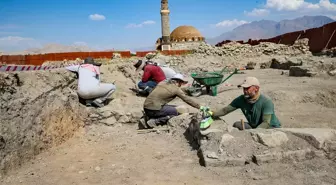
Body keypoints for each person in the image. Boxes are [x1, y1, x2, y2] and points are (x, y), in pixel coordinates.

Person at [208, 76, 281, 130]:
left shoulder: (266, 102)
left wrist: (254, 133)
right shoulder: (241, 99)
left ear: (256, 88)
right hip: (255, 127)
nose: (244, 91)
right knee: (237, 124)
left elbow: (266, 123)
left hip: (271, 128)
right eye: (244, 88)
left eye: (247, 88)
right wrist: (212, 114)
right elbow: (225, 110)